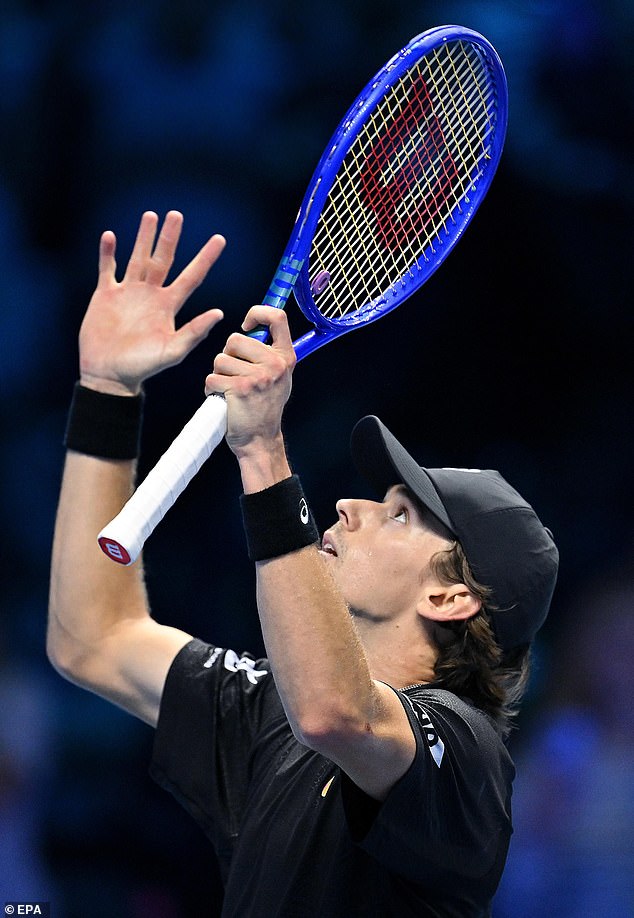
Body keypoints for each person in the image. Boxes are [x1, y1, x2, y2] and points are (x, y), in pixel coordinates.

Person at [48, 210, 559, 917]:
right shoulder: (271, 717)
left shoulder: (466, 758)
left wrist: (263, 452)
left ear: (451, 599)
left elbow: (334, 712)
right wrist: (106, 389)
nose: (351, 506)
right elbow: (92, 637)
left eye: (399, 515)